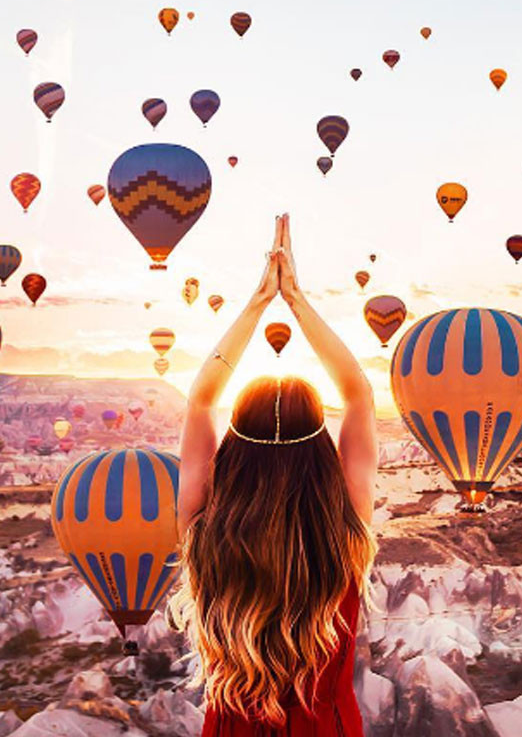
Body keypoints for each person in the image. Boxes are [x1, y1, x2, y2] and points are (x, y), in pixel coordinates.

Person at [178, 214, 377, 736]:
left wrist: (258, 301)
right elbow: (358, 392)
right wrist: (296, 299)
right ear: (321, 452)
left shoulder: (205, 531)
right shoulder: (345, 534)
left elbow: (199, 400)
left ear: (234, 449)